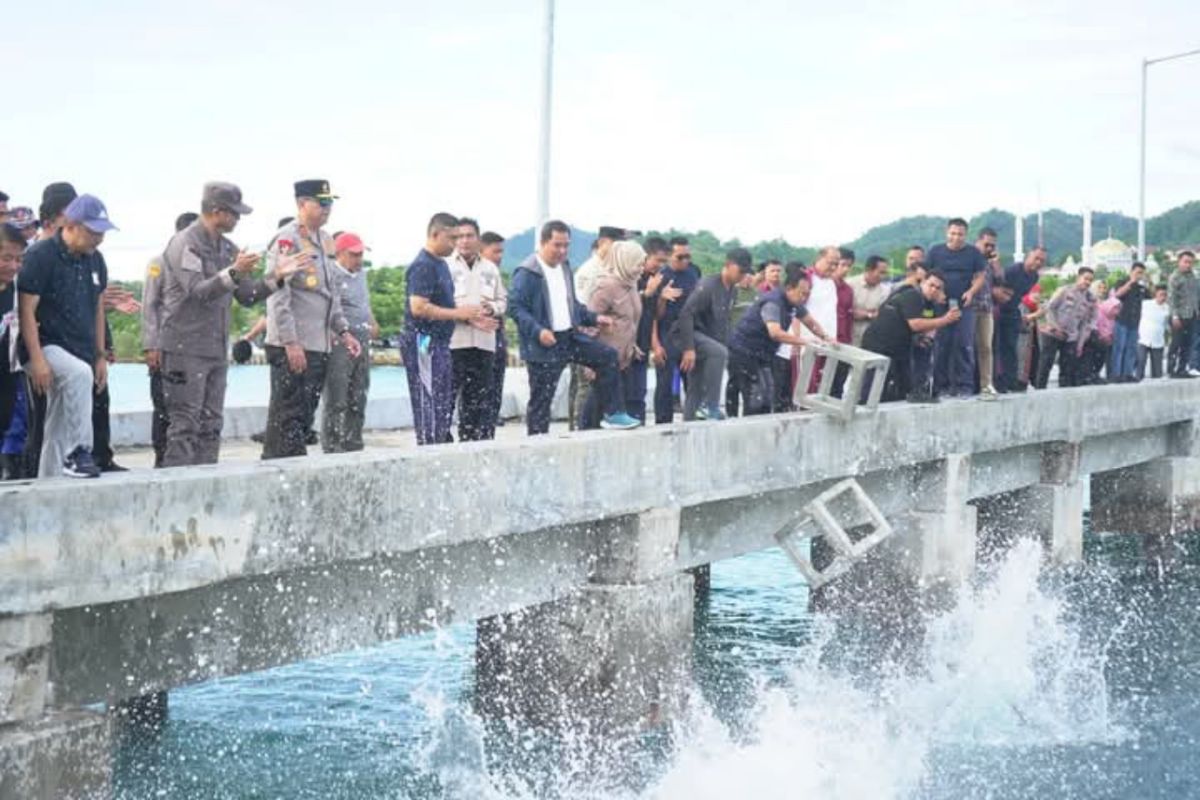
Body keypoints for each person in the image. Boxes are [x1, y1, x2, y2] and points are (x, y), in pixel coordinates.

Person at [160, 183, 301, 467]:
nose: (238, 219)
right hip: (184, 348)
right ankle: (176, 491)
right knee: (185, 424)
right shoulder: (185, 243)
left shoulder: (228, 249)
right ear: (216, 212)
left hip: (214, 349)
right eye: (234, 213)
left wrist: (277, 276)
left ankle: (206, 483)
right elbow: (198, 291)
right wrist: (234, 271)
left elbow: (248, 295)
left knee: (211, 423)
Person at [17, 195, 116, 478]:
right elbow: (26, 310)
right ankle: (79, 451)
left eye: (102, 233)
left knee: (58, 422)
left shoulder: (95, 260)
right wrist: (36, 359)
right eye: (93, 231)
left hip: (80, 348)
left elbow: (97, 308)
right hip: (45, 343)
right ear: (71, 225)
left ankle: (48, 483)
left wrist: (99, 355)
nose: (99, 238)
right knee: (78, 375)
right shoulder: (41, 256)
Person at [262, 179, 362, 459]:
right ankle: (280, 472)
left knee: (303, 417)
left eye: (330, 203)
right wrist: (290, 341)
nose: (327, 209)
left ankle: (289, 469)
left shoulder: (323, 240)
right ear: (301, 204)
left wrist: (343, 331)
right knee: (287, 417)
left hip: (318, 344)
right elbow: (277, 294)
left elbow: (329, 294)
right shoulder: (287, 240)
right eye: (321, 203)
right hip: (294, 344)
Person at [509, 220, 635, 435]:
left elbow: (572, 307)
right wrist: (538, 331)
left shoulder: (565, 267)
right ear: (543, 243)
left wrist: (595, 318)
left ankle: (612, 413)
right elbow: (515, 308)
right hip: (544, 344)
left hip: (569, 337)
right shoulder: (528, 272)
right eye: (557, 245)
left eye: (566, 245)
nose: (562, 251)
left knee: (606, 356)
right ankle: (537, 442)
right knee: (542, 399)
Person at [401, 213, 481, 445]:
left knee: (442, 401)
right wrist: (457, 314)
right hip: (423, 341)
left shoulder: (441, 265)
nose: (455, 243)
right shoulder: (423, 265)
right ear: (435, 234)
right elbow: (418, 307)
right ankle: (428, 448)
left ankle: (438, 444)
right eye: (451, 238)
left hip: (441, 342)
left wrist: (468, 316)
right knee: (428, 402)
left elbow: (443, 305)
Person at [727, 265, 831, 416]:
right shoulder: (773, 302)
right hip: (744, 350)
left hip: (764, 353)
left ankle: (760, 428)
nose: (804, 298)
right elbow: (775, 333)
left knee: (768, 395)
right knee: (754, 396)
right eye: (801, 293)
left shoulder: (795, 303)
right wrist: (805, 342)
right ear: (789, 288)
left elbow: (810, 322)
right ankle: (742, 427)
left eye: (807, 294)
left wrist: (826, 337)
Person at [141, 211, 198, 467]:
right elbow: (149, 306)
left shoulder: (204, 265)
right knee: (165, 408)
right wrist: (151, 345)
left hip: (196, 351)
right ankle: (162, 458)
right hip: (166, 349)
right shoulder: (159, 263)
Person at [671, 248, 754, 420]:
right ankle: (711, 405)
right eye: (740, 271)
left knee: (696, 386)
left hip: (705, 340)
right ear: (729, 265)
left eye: (746, 273)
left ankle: (690, 425)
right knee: (719, 353)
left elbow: (722, 322)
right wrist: (689, 349)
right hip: (685, 334)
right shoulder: (708, 286)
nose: (742, 276)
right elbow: (686, 314)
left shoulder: (732, 290)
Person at [861, 270, 961, 402]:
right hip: (879, 343)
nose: (934, 290)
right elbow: (915, 324)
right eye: (931, 285)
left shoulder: (929, 304)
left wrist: (920, 337)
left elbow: (925, 325)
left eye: (938, 288)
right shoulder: (912, 295)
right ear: (923, 282)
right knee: (874, 386)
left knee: (903, 384)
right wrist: (946, 320)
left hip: (899, 346)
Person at [448, 218, 505, 442]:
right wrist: (469, 316)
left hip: (484, 344)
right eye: (459, 236)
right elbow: (441, 304)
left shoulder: (490, 268)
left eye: (469, 236)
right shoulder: (446, 266)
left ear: (478, 239)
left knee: (478, 402)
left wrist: (491, 309)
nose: (464, 241)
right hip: (455, 343)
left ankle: (471, 445)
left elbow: (502, 301)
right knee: (448, 400)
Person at [322, 232, 378, 452]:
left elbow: (364, 303)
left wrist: (373, 322)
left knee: (359, 394)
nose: (359, 259)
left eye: (361, 254)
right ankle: (332, 445)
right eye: (354, 255)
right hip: (340, 342)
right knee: (337, 397)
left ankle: (354, 442)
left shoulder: (362, 274)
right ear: (340, 254)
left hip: (363, 339)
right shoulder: (332, 274)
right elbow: (329, 310)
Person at [583, 241, 647, 429]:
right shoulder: (605, 286)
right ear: (625, 262)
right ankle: (584, 436)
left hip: (624, 357)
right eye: (638, 264)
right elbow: (588, 322)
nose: (641, 269)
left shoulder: (631, 285)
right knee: (597, 403)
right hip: (603, 358)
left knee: (612, 402)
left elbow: (630, 318)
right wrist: (590, 362)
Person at [926, 218, 987, 398]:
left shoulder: (973, 253)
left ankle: (964, 386)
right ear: (947, 232)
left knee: (964, 345)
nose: (956, 237)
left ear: (965, 235)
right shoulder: (935, 251)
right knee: (941, 345)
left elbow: (980, 276)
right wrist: (937, 294)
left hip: (965, 305)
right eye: (953, 233)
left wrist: (971, 292)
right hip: (940, 306)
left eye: (960, 234)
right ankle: (940, 387)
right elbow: (926, 275)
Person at [652, 236, 701, 424]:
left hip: (689, 333)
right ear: (669, 256)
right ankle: (663, 425)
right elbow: (654, 315)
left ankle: (692, 421)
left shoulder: (694, 272)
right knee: (664, 384)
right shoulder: (661, 275)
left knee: (692, 381)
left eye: (687, 256)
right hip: (666, 333)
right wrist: (662, 297)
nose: (685, 261)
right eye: (680, 257)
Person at [993, 248, 1044, 393]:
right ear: (1027, 256)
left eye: (1041, 260)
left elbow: (1020, 295)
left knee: (1012, 348)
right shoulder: (1012, 271)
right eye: (1036, 258)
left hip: (1013, 311)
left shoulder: (1034, 276)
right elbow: (997, 287)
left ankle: (1011, 380)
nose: (1038, 262)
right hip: (999, 310)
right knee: (998, 348)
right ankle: (999, 381)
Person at [1036, 268, 1097, 389]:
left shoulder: (1089, 299)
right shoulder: (1064, 291)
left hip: (1070, 337)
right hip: (1053, 333)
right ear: (1078, 278)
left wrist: (1080, 343)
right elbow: (1050, 308)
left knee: (1067, 368)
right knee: (1046, 364)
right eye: (1085, 278)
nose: (1088, 282)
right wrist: (1055, 327)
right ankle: (1039, 391)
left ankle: (1064, 394)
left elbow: (1084, 323)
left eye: (1090, 280)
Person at [0, 225, 27, 477]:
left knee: (5, 420)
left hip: (6, 372)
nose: (13, 265)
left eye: (19, 259)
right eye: (6, 258)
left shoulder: (14, 290)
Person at [634, 237, 669, 423]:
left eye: (664, 261)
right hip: (628, 342)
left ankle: (638, 426)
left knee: (639, 391)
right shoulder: (633, 276)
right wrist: (646, 293)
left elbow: (656, 314)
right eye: (658, 260)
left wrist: (661, 297)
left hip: (644, 339)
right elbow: (626, 308)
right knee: (629, 390)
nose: (660, 265)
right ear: (646, 256)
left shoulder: (656, 279)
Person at [479, 231, 508, 430]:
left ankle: (490, 424)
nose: (500, 256)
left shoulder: (495, 275)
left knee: (495, 389)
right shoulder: (475, 276)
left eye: (501, 252)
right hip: (478, 341)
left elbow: (503, 304)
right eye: (495, 251)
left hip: (497, 338)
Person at [969, 228, 999, 399]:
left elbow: (1001, 280)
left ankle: (986, 385)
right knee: (966, 347)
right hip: (970, 307)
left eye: (992, 246)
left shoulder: (989, 262)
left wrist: (995, 264)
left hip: (986, 309)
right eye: (986, 244)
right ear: (978, 242)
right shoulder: (969, 257)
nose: (989, 248)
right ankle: (966, 384)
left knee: (986, 348)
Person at [1109, 263, 1148, 382]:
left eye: (1141, 273)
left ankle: (1128, 373)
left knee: (1131, 348)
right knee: (1119, 348)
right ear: (1131, 271)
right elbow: (1118, 294)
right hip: (1122, 320)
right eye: (1137, 272)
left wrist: (1148, 281)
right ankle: (1116, 374)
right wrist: (1131, 282)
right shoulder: (1122, 282)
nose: (1139, 275)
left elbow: (1152, 295)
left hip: (1135, 322)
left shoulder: (1141, 287)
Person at [1167, 250, 1198, 378]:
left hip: (1192, 315)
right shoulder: (1175, 277)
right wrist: (1174, 316)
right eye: (1185, 262)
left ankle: (1182, 368)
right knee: (1176, 344)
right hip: (1179, 317)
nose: (1188, 265)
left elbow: (1195, 296)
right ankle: (1172, 369)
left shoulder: (1193, 276)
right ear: (1179, 262)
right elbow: (1171, 298)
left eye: (1190, 262)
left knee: (1188, 344)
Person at [848, 255, 889, 347]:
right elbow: (848, 312)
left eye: (885, 273)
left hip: (870, 341)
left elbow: (882, 315)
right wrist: (871, 314)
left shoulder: (885, 291)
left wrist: (865, 314)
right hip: (849, 338)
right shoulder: (850, 285)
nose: (883, 276)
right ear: (869, 270)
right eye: (881, 272)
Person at [1137, 284, 1170, 380]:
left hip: (1158, 340)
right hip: (1143, 338)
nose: (1163, 297)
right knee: (1141, 362)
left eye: (1165, 295)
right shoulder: (1146, 304)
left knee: (1157, 369)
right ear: (1156, 294)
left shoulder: (1167, 308)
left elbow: (1167, 325)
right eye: (1161, 294)